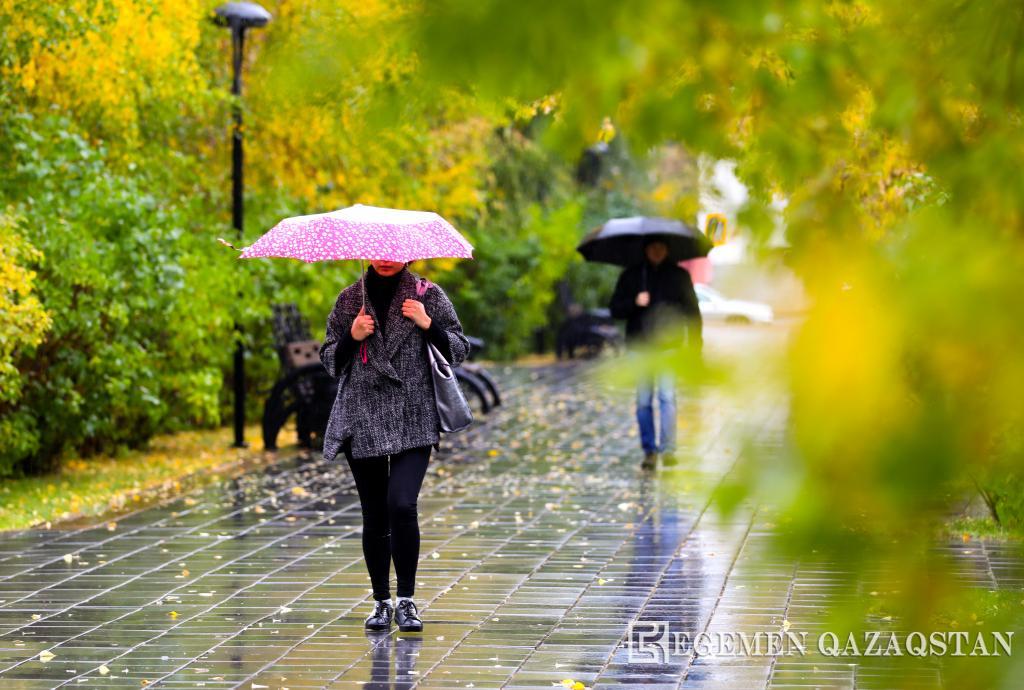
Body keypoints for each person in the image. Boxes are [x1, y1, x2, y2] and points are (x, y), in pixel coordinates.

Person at [320, 260, 470, 632]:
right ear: (367, 254)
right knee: (374, 514)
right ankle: (381, 602)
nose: (386, 260)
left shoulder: (427, 295)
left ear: (407, 255)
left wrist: (427, 323)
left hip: (414, 417)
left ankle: (407, 600)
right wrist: (351, 337)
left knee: (401, 504)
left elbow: (460, 349)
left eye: (393, 253)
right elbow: (329, 361)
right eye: (379, 252)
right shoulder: (349, 300)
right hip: (362, 416)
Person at [609, 235, 702, 469]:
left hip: (669, 348)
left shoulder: (679, 276)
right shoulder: (631, 276)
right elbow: (615, 310)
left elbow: (692, 311)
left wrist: (695, 344)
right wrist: (634, 302)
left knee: (667, 398)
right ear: (646, 249)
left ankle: (668, 450)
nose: (657, 251)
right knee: (643, 401)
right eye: (653, 247)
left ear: (668, 250)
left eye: (662, 247)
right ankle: (649, 450)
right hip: (640, 348)